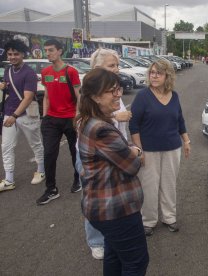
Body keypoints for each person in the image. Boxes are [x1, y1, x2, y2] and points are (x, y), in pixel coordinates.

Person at [77, 68, 148, 275]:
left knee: (114, 255)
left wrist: (127, 150)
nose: (118, 94)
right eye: (111, 91)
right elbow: (133, 166)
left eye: (118, 89)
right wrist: (135, 150)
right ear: (95, 96)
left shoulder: (88, 121)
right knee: (136, 261)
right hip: (115, 209)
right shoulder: (102, 129)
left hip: (103, 206)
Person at [80, 48, 132, 260]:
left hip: (116, 148)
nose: (117, 69)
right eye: (111, 66)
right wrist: (115, 115)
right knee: (96, 197)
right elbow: (80, 119)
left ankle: (112, 236)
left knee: (112, 196)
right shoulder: (89, 90)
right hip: (97, 152)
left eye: (117, 65)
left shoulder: (113, 88)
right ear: (96, 69)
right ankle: (96, 241)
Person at [129, 59, 191, 236]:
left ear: (167, 76)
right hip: (148, 150)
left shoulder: (174, 95)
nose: (154, 76)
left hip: (172, 148)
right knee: (149, 186)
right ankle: (148, 221)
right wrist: (139, 150)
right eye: (152, 72)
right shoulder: (143, 96)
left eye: (159, 73)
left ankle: (169, 217)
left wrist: (186, 141)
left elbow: (179, 120)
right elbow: (134, 125)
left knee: (169, 184)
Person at [36, 39, 81, 205]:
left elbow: (79, 97)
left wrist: (77, 116)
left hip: (70, 119)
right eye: (46, 50)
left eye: (51, 50)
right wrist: (45, 116)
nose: (48, 53)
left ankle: (78, 179)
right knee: (49, 154)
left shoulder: (71, 72)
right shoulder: (46, 71)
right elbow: (46, 96)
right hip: (52, 120)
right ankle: (51, 189)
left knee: (75, 152)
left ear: (60, 51)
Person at [0, 39, 45, 192]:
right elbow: (10, 88)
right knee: (6, 147)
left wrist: (14, 115)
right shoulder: (7, 70)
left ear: (23, 55)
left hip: (25, 115)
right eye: (10, 54)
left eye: (16, 54)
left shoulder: (29, 73)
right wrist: (4, 87)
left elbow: (27, 97)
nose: (12, 57)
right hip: (9, 113)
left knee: (35, 144)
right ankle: (9, 179)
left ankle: (41, 170)